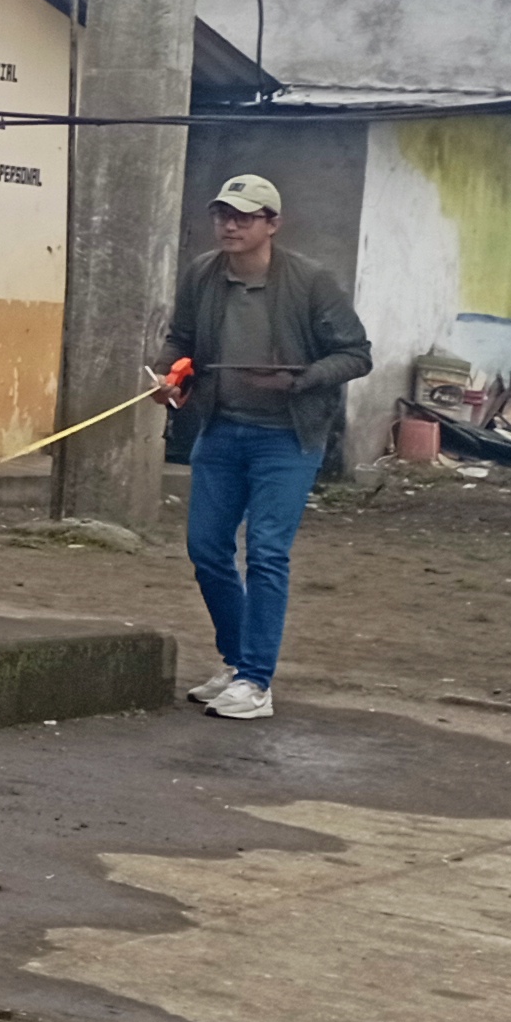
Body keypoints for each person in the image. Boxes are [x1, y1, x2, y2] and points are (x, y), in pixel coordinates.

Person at [161, 173, 371, 722]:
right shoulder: (202, 274)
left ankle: (256, 681)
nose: (229, 225)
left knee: (267, 551)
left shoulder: (311, 280)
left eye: (243, 217)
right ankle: (236, 663)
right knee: (206, 548)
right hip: (220, 429)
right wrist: (169, 377)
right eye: (222, 215)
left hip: (287, 438)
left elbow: (356, 354)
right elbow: (182, 340)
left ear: (272, 224)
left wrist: (299, 379)